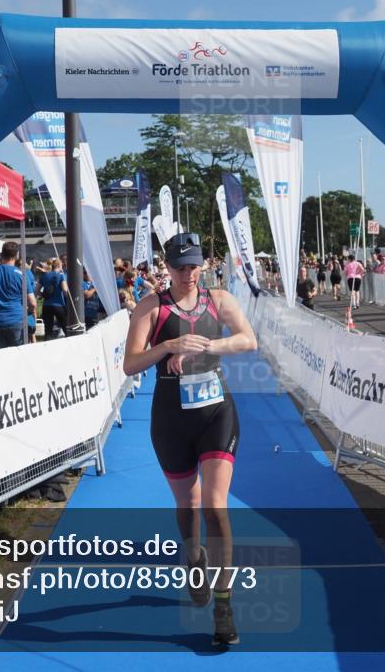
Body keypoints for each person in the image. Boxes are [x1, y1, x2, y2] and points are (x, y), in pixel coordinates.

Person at [122, 233, 257, 646]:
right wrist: (167, 345)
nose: (188, 273)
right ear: (168, 267)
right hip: (170, 420)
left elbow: (248, 340)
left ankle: (223, 606)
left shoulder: (219, 300)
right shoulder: (152, 306)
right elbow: (130, 364)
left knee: (216, 507)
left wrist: (206, 345)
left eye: (194, 264)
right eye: (180, 266)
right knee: (190, 503)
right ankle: (194, 557)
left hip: (216, 413)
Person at [39, 257, 70, 340]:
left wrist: (43, 295)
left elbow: (36, 291)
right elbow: (64, 290)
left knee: (48, 331)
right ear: (59, 266)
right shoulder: (61, 275)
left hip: (46, 306)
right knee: (66, 328)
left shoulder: (44, 276)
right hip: (58, 305)